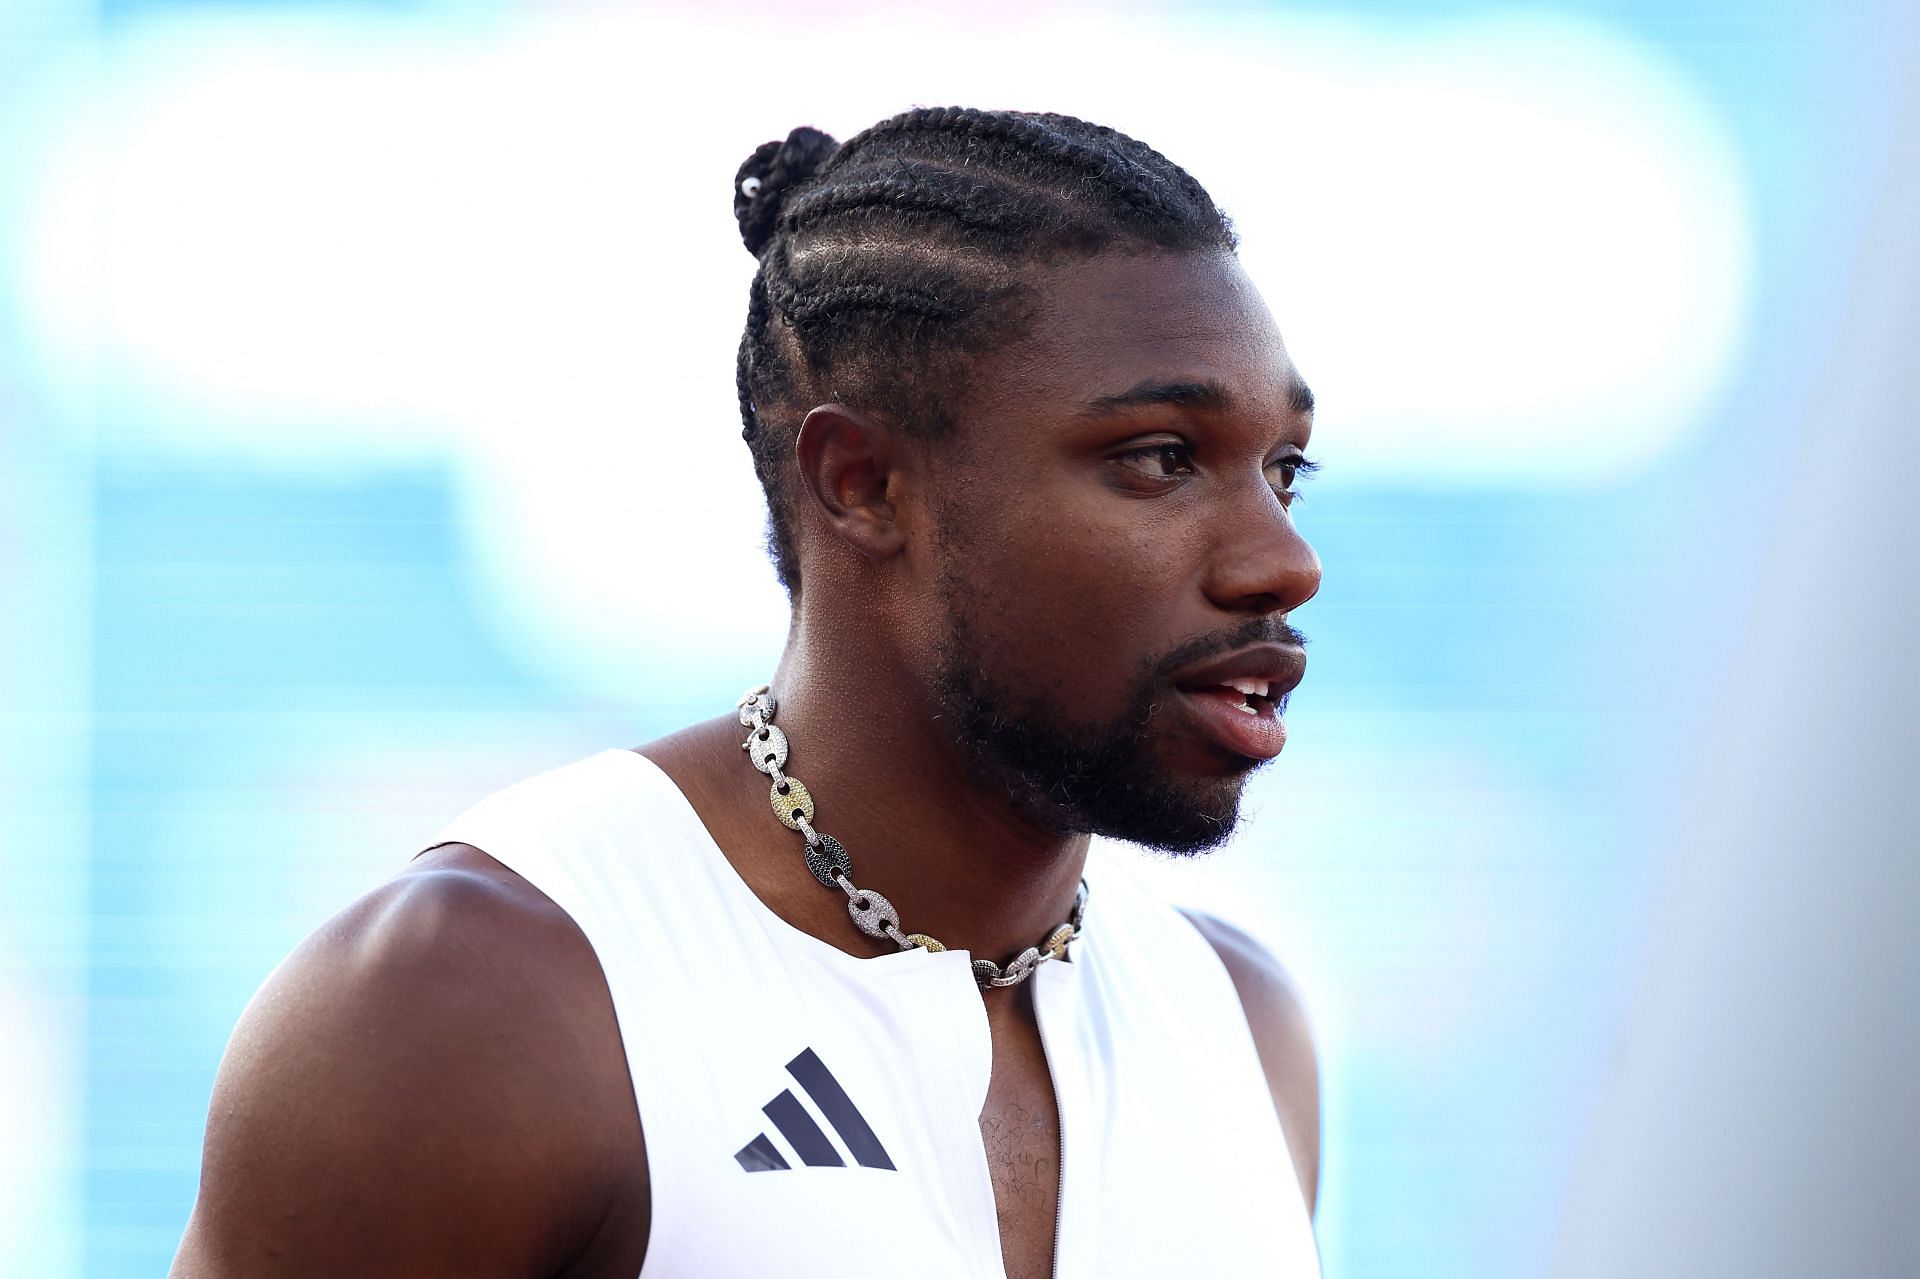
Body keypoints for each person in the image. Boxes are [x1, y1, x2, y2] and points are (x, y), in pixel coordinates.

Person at [170, 106, 1324, 1278]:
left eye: (1285, 470)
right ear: (863, 484)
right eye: (1162, 458)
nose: (1283, 562)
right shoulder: (475, 1002)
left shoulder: (1241, 1023)